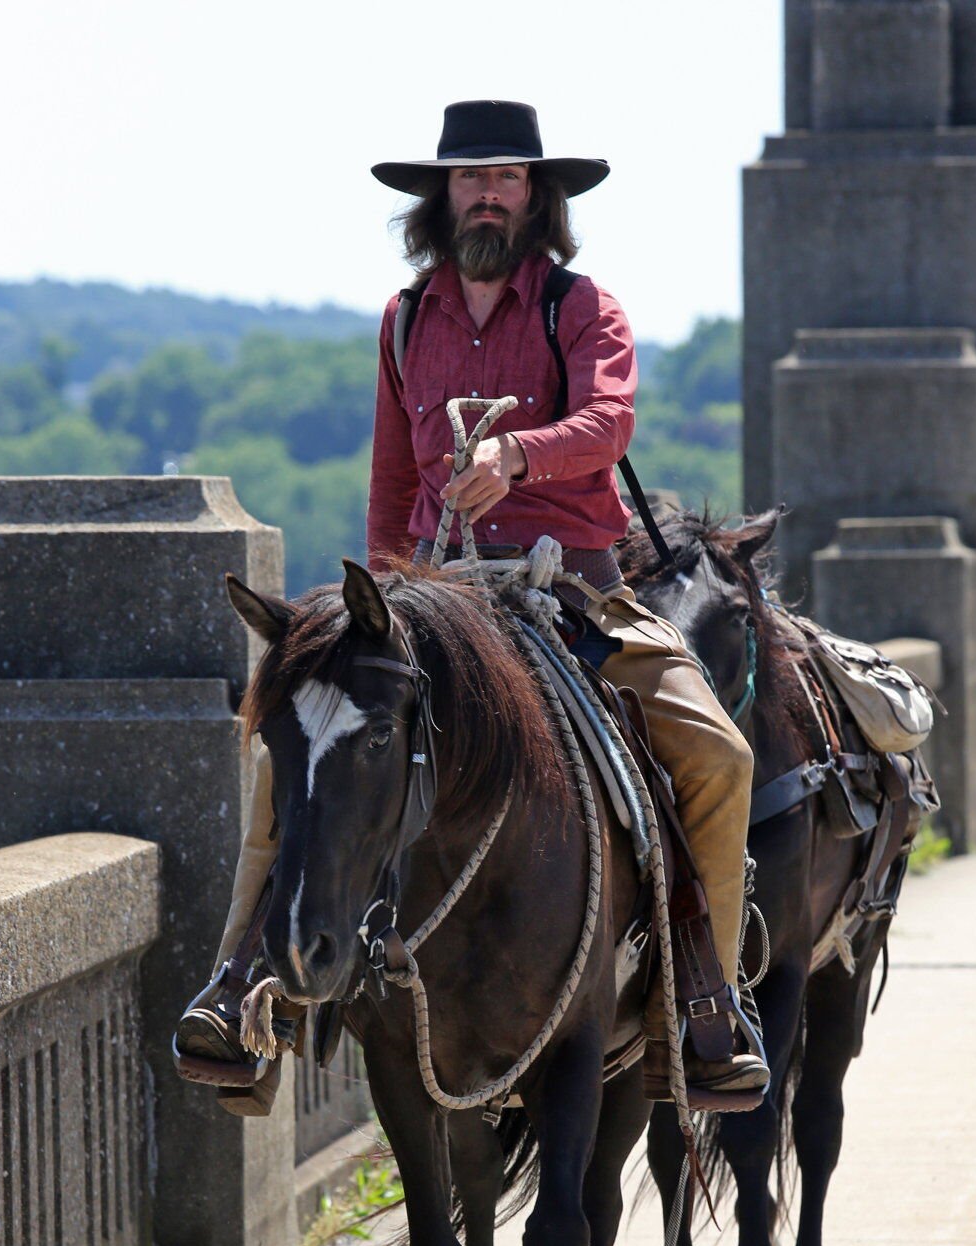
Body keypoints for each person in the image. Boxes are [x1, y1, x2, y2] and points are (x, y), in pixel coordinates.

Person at [174, 99, 768, 1109]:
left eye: (506, 177)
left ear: (536, 196)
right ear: (441, 198)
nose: (487, 194)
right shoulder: (406, 319)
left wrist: (515, 453)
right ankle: (243, 986)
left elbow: (609, 421)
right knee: (303, 749)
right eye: (469, 178)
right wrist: (378, 606)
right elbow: (391, 476)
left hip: (573, 592)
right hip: (434, 602)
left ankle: (701, 999)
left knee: (718, 754)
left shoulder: (580, 307)